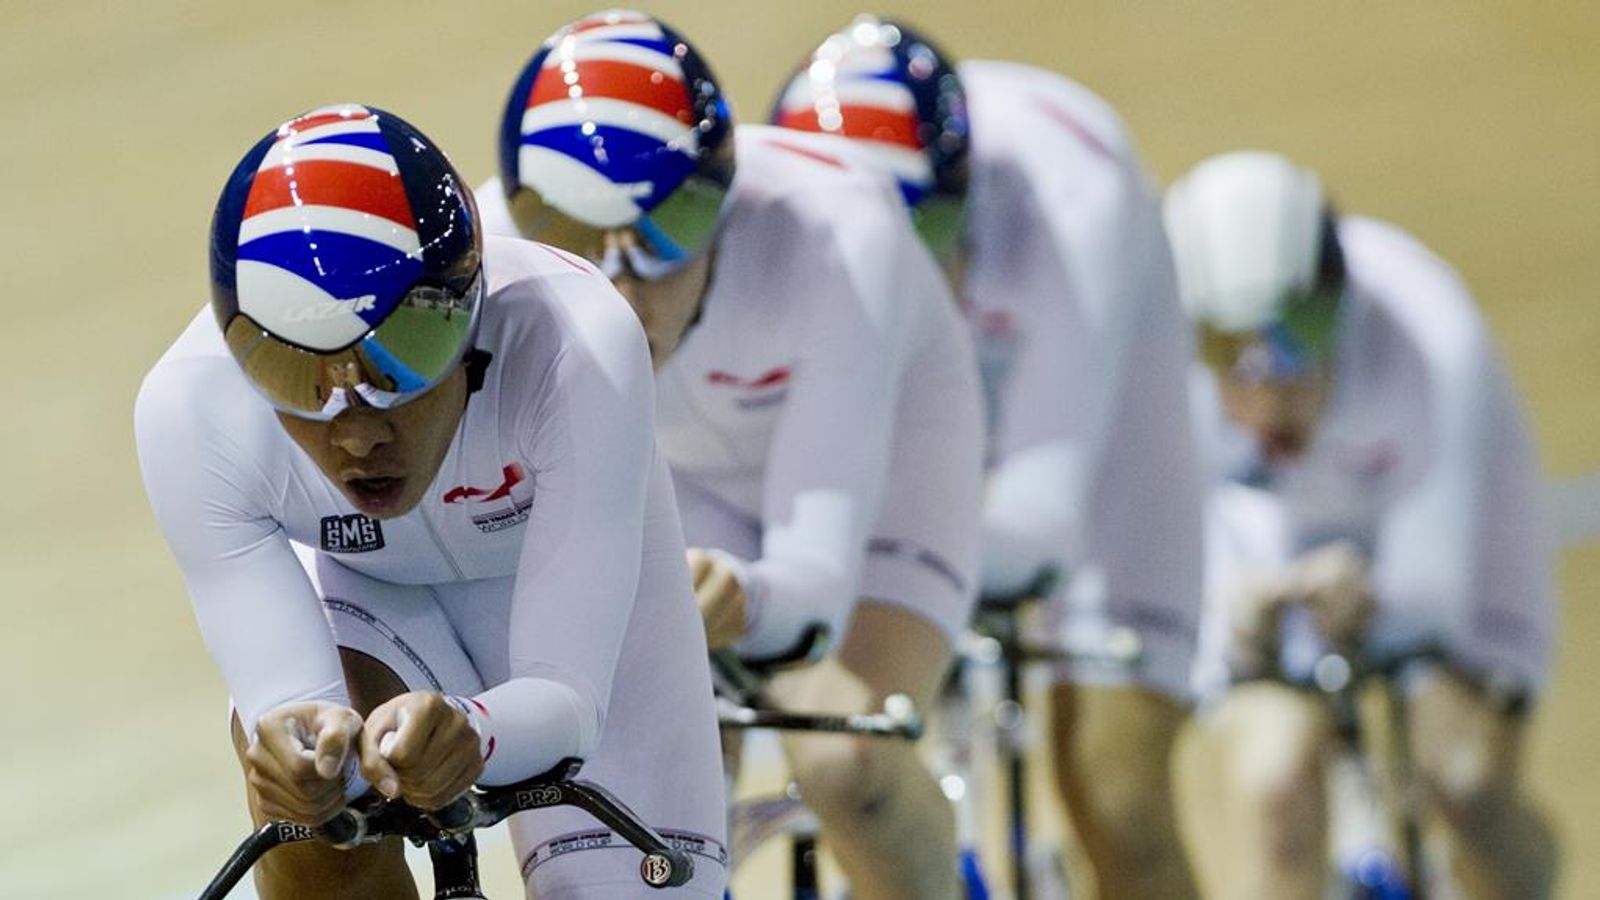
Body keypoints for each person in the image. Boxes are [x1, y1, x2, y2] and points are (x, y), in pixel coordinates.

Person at [134, 103, 727, 899]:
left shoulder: (574, 337)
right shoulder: (190, 408)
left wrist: (476, 730)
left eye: (401, 357)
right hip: (375, 600)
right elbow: (295, 712)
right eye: (292, 377)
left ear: (472, 311)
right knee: (315, 808)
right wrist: (297, 758)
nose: (354, 434)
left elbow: (568, 699)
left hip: (578, 616)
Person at [478, 11, 985, 899]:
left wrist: (741, 597)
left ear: (725, 199)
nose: (621, 289)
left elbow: (815, 584)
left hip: (889, 467)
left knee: (846, 761)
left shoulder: (834, 236)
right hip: (684, 497)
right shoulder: (485, 263)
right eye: (580, 246)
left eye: (667, 233)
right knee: (628, 818)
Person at [774, 17, 1204, 898]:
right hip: (932, 388)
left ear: (964, 201)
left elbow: (1042, 526)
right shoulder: (776, 216)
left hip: (1093, 390)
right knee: (860, 759)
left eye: (919, 241)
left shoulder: (1069, 200)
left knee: (1116, 793)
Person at [1168, 150, 1557, 900]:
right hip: (1281, 546)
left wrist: (1379, 601)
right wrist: (1236, 612)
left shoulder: (1426, 333)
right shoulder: (1175, 366)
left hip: (1453, 532)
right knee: (1273, 789)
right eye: (1229, 352)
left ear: (1337, 301)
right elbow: (1184, 548)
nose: (1267, 385)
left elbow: (1433, 594)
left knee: (1462, 780)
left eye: (1294, 337)